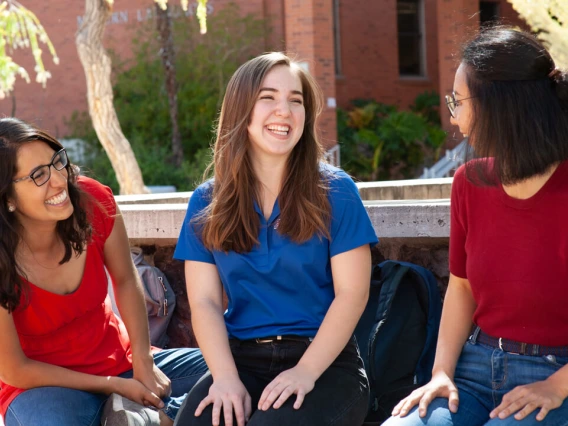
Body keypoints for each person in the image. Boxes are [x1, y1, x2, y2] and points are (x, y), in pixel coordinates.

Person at [172, 52, 378, 426]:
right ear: (242, 109)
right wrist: (224, 378)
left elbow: (353, 294)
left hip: (324, 365)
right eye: (268, 97)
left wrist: (305, 372)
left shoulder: (335, 190)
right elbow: (203, 300)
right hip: (240, 362)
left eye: (295, 100)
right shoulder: (207, 200)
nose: (284, 110)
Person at [383, 27, 568, 426]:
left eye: (458, 101)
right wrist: (440, 374)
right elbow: (462, 286)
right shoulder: (469, 182)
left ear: (498, 106)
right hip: (472, 372)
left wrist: (557, 386)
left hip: (557, 377)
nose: (452, 116)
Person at [0, 118, 208, 426]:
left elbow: (125, 281)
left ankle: (141, 413)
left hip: (122, 360)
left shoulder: (92, 200)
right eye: (39, 176)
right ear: (8, 199)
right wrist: (115, 386)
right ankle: (148, 414)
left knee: (236, 370)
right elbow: (14, 369)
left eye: (57, 162)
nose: (59, 180)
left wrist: (143, 361)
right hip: (45, 389)